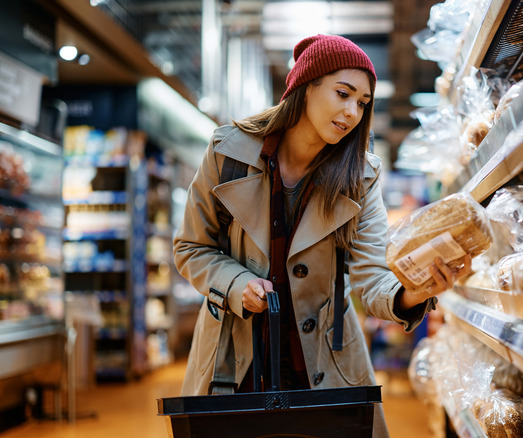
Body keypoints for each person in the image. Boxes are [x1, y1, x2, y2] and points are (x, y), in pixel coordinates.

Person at [173, 34, 471, 437]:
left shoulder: (360, 178)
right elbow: (191, 247)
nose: (352, 112)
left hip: (325, 368)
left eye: (363, 103)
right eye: (343, 93)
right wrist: (236, 282)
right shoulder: (229, 154)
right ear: (304, 85)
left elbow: (371, 275)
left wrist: (409, 294)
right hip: (235, 359)